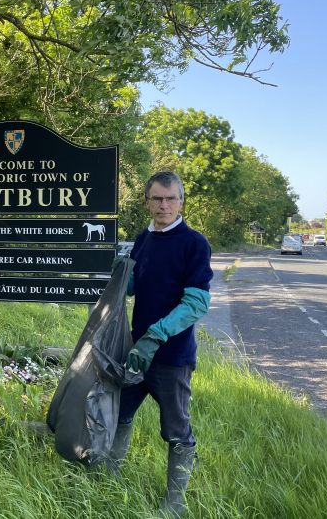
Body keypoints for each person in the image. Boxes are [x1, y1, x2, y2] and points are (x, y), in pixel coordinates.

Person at [109, 171, 213, 517]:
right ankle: (108, 482)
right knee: (119, 416)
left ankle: (175, 503)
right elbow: (135, 286)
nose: (164, 205)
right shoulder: (143, 238)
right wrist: (120, 276)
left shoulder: (194, 243)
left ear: (181, 202)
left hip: (171, 357)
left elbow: (197, 303)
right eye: (157, 198)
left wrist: (155, 335)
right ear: (147, 202)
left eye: (171, 198)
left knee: (176, 430)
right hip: (135, 353)